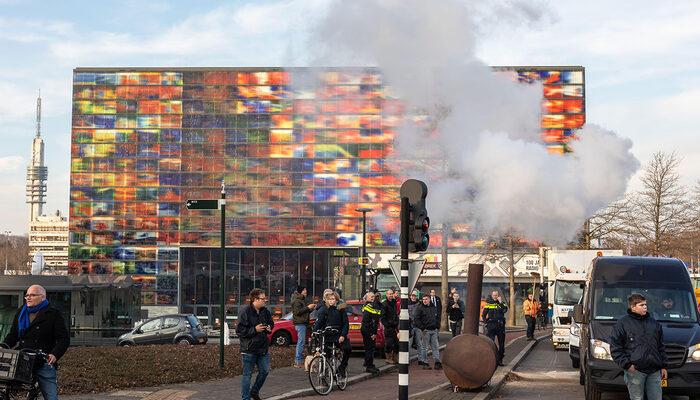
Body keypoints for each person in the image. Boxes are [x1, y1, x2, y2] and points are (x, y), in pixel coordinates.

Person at [2, 285, 69, 400]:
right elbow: (13, 335)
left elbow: (64, 339)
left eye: (32, 295)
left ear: (42, 297)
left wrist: (54, 354)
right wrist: (3, 346)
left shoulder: (53, 314)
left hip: (43, 360)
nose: (28, 297)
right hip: (22, 359)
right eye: (27, 295)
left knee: (51, 397)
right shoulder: (21, 312)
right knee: (4, 389)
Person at [609, 294, 667, 400]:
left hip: (654, 371)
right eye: (641, 305)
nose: (645, 307)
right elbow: (615, 347)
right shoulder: (622, 324)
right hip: (636, 371)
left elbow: (661, 346)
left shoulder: (654, 323)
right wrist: (627, 365)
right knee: (637, 398)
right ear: (633, 307)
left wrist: (663, 366)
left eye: (645, 304)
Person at [236, 288, 275, 400]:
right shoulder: (245, 312)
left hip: (262, 348)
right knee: (247, 375)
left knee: (265, 371)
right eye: (263, 299)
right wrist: (255, 329)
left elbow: (271, 324)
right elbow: (239, 331)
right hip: (249, 349)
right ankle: (245, 398)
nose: (265, 301)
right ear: (255, 299)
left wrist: (269, 328)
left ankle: (254, 391)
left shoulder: (265, 312)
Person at [313, 291, 351, 376]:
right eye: (329, 299)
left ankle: (342, 367)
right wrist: (314, 332)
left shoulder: (341, 310)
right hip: (327, 335)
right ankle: (325, 372)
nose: (331, 301)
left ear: (336, 300)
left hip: (338, 335)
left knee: (347, 349)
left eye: (333, 299)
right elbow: (319, 322)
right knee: (326, 354)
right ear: (326, 300)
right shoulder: (323, 310)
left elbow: (345, 324)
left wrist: (343, 335)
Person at [290, 286, 316, 368]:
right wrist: (308, 307)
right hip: (300, 324)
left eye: (306, 289)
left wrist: (310, 308)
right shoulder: (297, 300)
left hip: (303, 323)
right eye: (304, 290)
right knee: (301, 342)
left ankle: (298, 361)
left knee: (302, 342)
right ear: (300, 291)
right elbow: (297, 312)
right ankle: (298, 361)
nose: (306, 291)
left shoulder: (301, 299)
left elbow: (303, 311)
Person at [415, 294, 441, 369]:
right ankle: (425, 363)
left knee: (435, 347)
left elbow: (437, 317)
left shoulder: (434, 307)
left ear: (429, 299)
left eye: (426, 299)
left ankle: (437, 362)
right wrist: (422, 328)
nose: (424, 301)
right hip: (425, 331)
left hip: (434, 330)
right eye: (423, 299)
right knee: (425, 348)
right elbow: (416, 319)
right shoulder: (420, 308)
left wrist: (437, 326)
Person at [482, 290, 508, 366]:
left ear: (498, 295)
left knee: (501, 344)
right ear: (492, 295)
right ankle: (491, 360)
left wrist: (500, 302)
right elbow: (483, 315)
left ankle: (500, 360)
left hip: (500, 326)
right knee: (490, 343)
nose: (495, 296)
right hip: (491, 326)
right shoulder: (488, 304)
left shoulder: (502, 303)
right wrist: (486, 323)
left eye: (496, 295)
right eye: (494, 295)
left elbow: (505, 310)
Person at [360, 292, 381, 374]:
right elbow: (374, 321)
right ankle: (369, 366)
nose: (373, 298)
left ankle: (368, 363)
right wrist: (373, 333)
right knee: (370, 348)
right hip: (369, 329)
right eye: (371, 296)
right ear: (367, 298)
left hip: (365, 328)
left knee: (368, 347)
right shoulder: (371, 306)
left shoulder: (366, 305)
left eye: (373, 296)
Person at [381, 289, 399, 364]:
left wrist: (396, 322)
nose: (391, 295)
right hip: (388, 327)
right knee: (389, 343)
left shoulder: (394, 303)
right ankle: (388, 358)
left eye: (392, 294)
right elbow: (383, 317)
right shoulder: (384, 304)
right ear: (386, 295)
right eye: (389, 294)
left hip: (395, 327)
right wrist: (388, 324)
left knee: (397, 343)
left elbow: (395, 314)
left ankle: (394, 357)